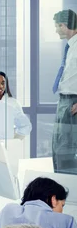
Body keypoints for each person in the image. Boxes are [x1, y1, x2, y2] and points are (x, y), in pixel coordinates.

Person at [52, 9, 77, 174]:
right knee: (60, 147)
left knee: (65, 148)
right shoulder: (71, 46)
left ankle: (68, 191)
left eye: (57, 26)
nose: (56, 30)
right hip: (64, 101)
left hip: (72, 102)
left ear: (64, 25)